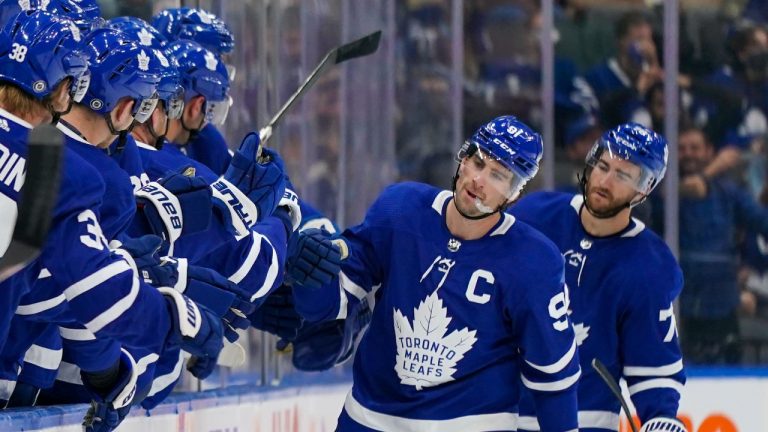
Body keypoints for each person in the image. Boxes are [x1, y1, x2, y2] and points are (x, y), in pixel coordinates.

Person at [291, 115, 580, 431]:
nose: (478, 180)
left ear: (514, 195)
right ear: (463, 158)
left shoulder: (534, 260)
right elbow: (324, 308)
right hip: (370, 419)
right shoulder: (400, 209)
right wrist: (311, 272)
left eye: (498, 175)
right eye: (478, 162)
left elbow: (553, 377)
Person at [510, 123, 687, 432]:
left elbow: (653, 364)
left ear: (644, 189)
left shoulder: (648, 266)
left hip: (584, 423)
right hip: (501, 415)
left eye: (622, 175)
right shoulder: (533, 217)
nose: (605, 181)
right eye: (603, 166)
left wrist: (660, 418)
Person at [651, 126, 768, 365]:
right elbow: (685, 190)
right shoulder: (662, 187)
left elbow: (762, 222)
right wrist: (716, 168)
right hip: (677, 302)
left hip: (721, 301)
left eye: (695, 148)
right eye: (682, 149)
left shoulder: (729, 192)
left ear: (709, 151)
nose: (689, 154)